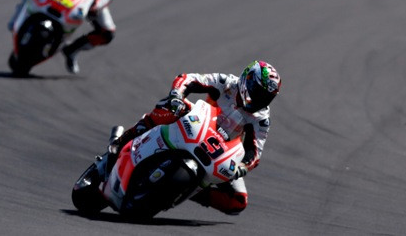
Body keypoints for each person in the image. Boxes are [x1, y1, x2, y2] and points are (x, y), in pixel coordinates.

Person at [100, 60, 282, 215]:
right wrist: (176, 96)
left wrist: (242, 167)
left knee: (237, 202)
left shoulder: (261, 119)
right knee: (170, 108)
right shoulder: (227, 83)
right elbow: (189, 79)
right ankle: (123, 140)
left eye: (266, 97)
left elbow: (255, 152)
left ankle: (189, 190)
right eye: (258, 91)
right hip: (195, 125)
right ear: (247, 80)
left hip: (218, 152)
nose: (260, 99)